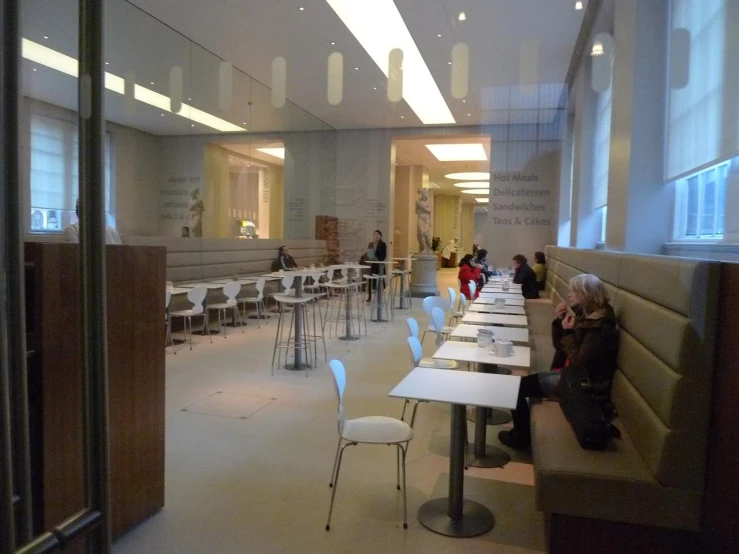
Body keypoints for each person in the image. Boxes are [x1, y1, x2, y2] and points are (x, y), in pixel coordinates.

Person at [498, 273, 619, 450]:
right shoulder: (588, 317)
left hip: (580, 386)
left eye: (573, 291)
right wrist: (559, 322)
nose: (569, 294)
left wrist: (568, 333)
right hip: (569, 376)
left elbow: (578, 364)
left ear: (586, 293)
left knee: (514, 387)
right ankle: (521, 434)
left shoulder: (598, 327)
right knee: (518, 385)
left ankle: (521, 437)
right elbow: (559, 346)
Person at [366, 230, 387, 302]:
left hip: (379, 265)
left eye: (378, 234)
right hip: (372, 264)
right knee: (370, 281)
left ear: (380, 236)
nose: (376, 236)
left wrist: (377, 259)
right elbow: (369, 255)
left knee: (379, 281)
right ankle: (369, 297)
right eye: (375, 234)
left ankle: (379, 296)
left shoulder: (383, 244)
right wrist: (372, 257)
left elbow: (383, 256)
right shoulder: (370, 244)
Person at [415, 189, 432, 254]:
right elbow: (416, 211)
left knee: (426, 234)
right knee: (421, 233)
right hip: (420, 218)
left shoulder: (428, 202)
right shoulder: (417, 202)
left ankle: (429, 248)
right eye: (423, 193)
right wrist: (420, 210)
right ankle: (423, 248)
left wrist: (424, 208)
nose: (424, 195)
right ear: (421, 194)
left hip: (426, 219)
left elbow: (430, 211)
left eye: (426, 193)